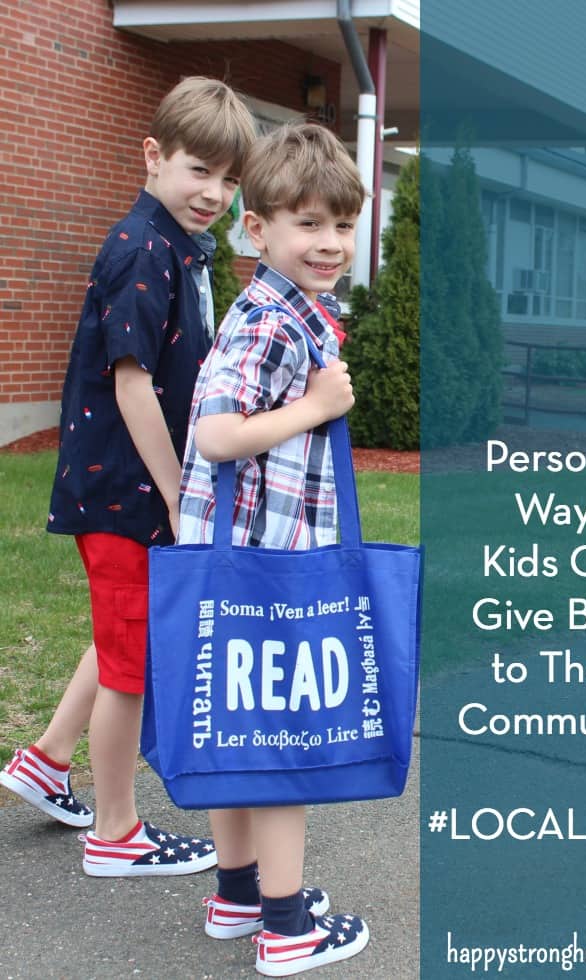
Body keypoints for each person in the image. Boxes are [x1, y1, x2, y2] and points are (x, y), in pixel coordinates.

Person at [0, 76, 257, 877]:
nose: (214, 193)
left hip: (136, 488)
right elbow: (132, 382)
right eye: (197, 171)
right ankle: (116, 832)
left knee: (125, 636)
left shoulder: (181, 242)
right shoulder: (143, 246)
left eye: (228, 178)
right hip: (126, 488)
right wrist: (180, 495)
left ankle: (46, 759)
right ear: (154, 156)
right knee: (130, 665)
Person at [178, 122, 370, 975]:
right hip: (266, 560)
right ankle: (287, 926)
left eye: (342, 225)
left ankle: (239, 891)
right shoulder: (270, 323)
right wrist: (319, 404)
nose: (330, 243)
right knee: (284, 735)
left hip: (247, 555)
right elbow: (218, 434)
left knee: (236, 727)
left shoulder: (292, 312)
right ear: (257, 230)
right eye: (308, 224)